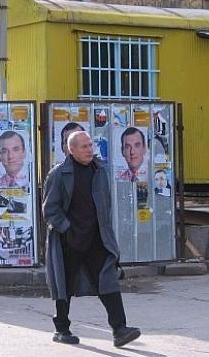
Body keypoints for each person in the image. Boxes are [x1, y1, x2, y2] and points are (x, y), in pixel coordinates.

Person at [43, 131, 141, 348]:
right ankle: (61, 329)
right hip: (69, 240)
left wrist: (107, 234)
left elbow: (105, 205)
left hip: (97, 239)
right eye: (84, 146)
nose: (89, 150)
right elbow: (50, 209)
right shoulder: (59, 174)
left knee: (108, 280)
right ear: (71, 150)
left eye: (90, 145)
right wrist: (67, 229)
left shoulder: (100, 170)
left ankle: (120, 330)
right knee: (64, 285)